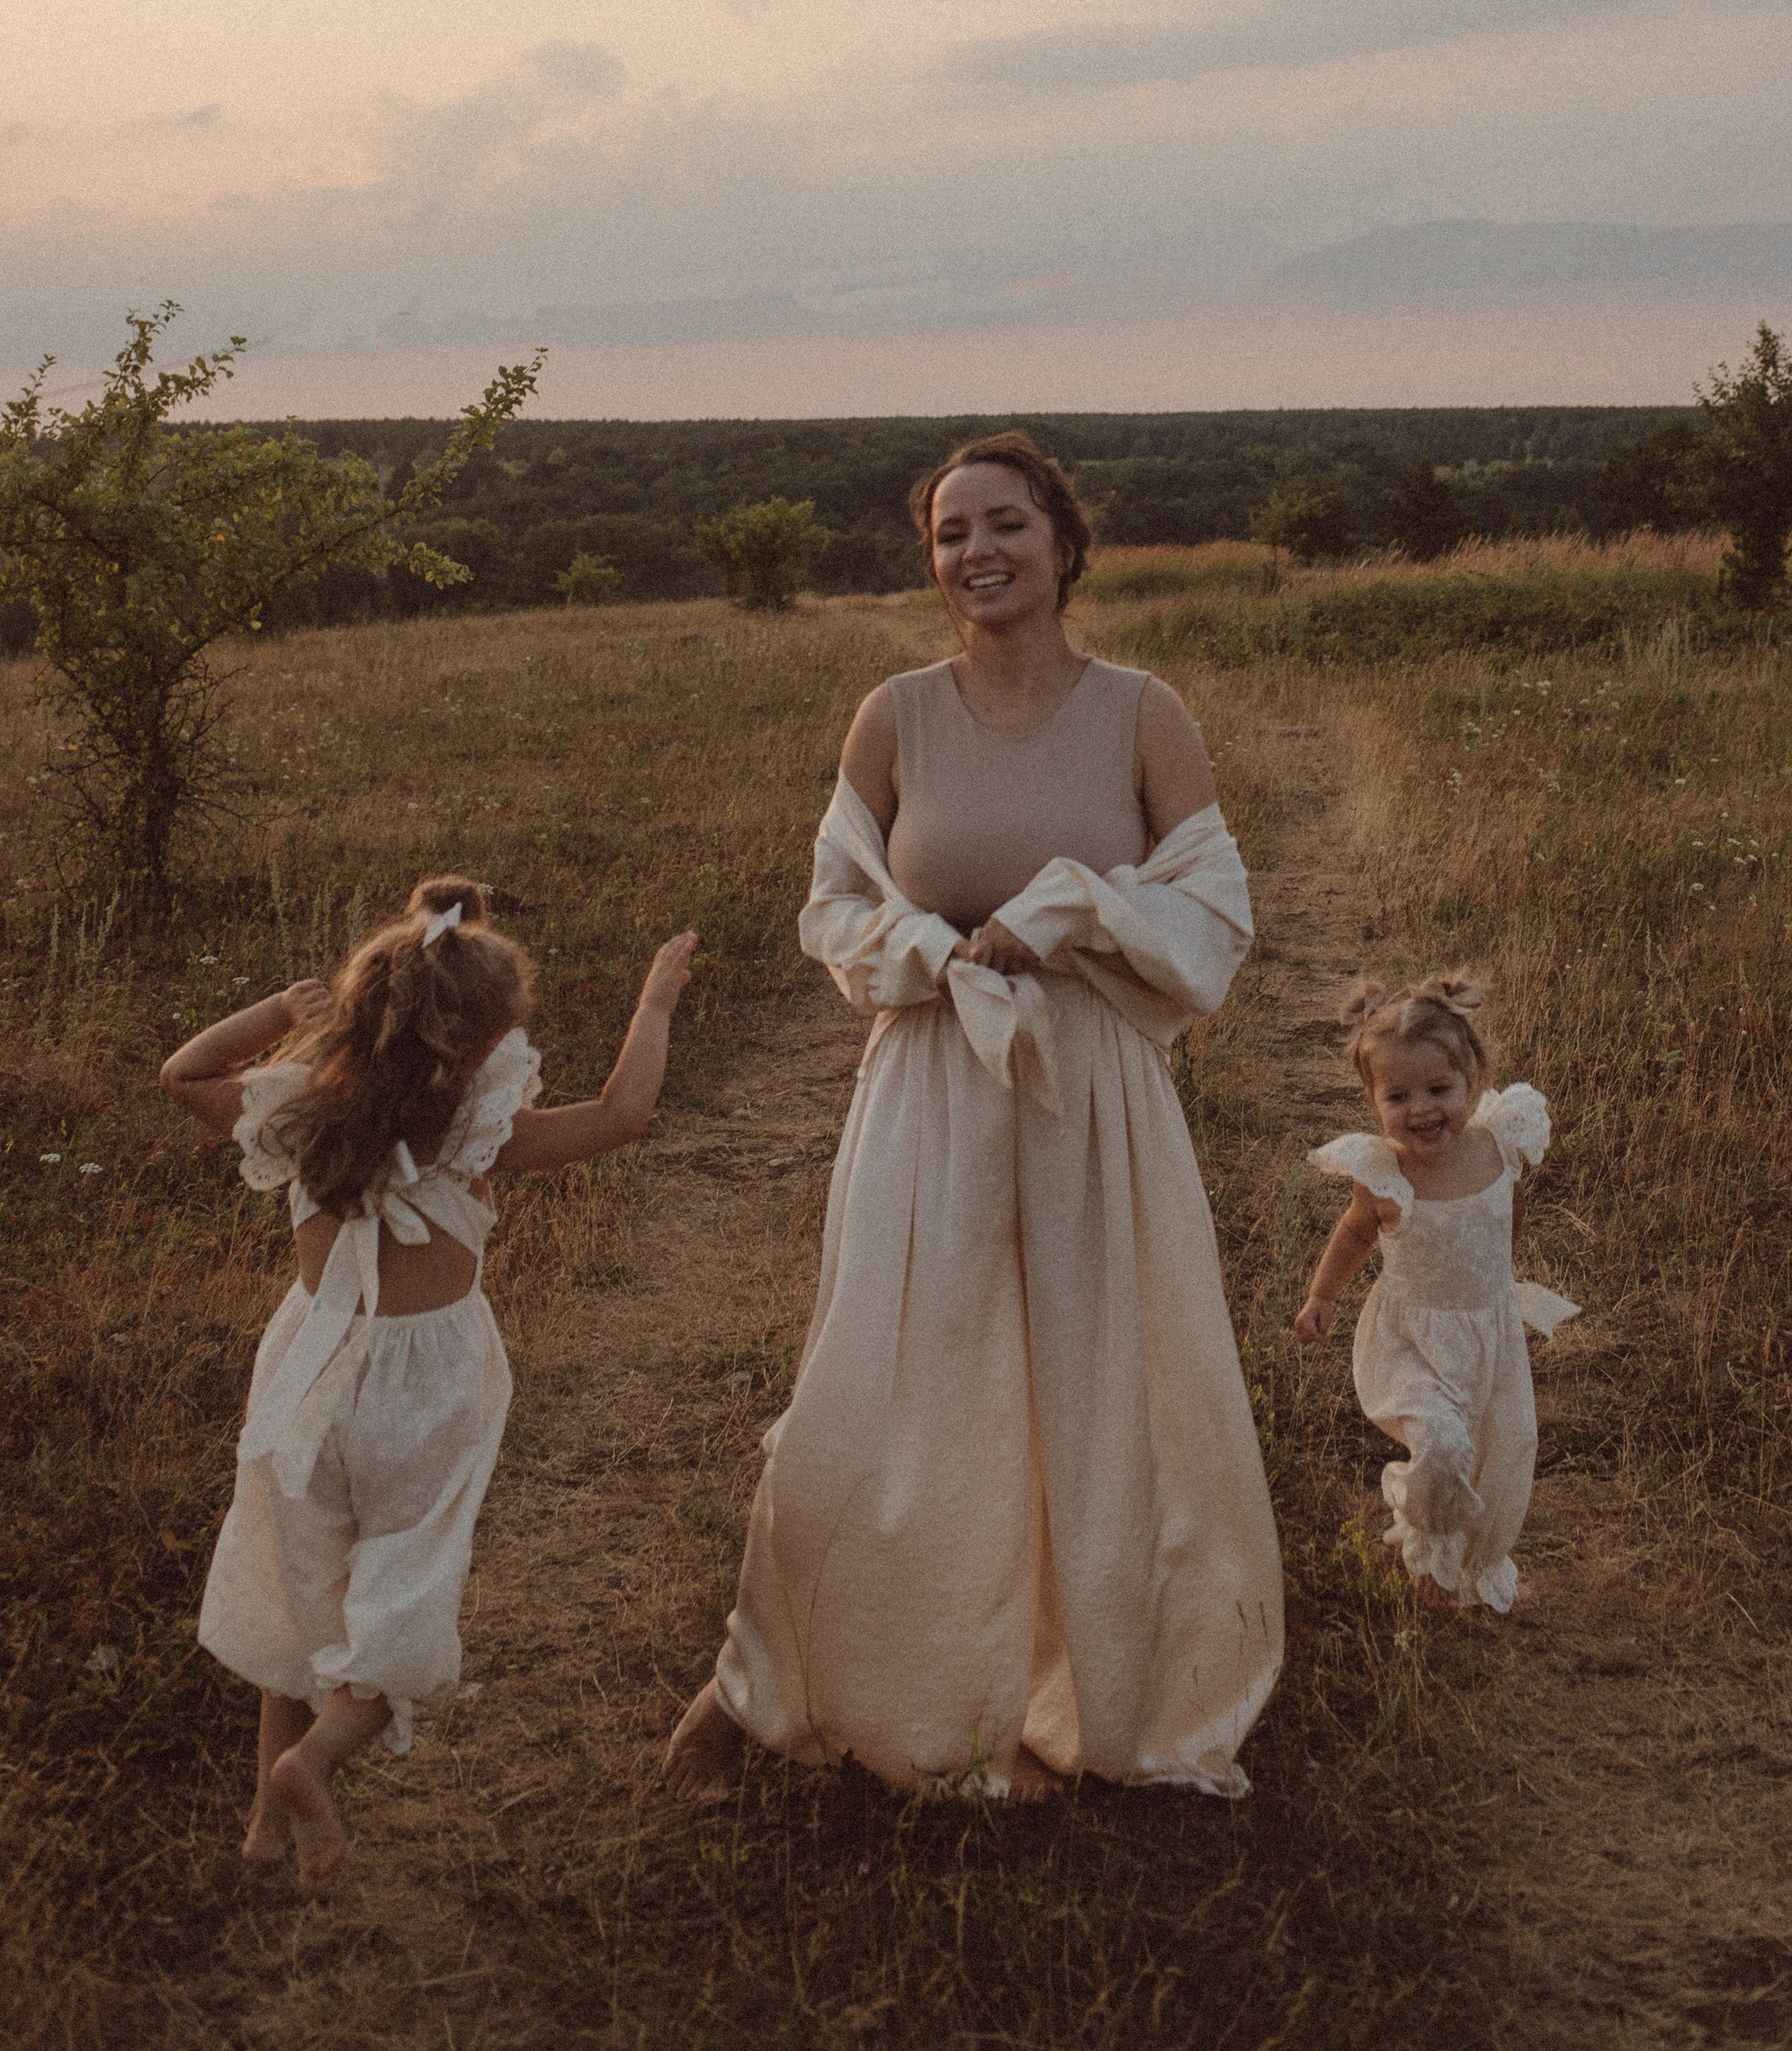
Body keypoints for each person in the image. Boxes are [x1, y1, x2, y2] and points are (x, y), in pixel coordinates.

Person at [661, 432, 1283, 1805]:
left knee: (1099, 1383)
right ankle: (787, 1683)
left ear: (1065, 543)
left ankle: (1091, 1693)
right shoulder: (895, 714)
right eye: (951, 533)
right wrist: (936, 954)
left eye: (1006, 524)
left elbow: (1215, 914)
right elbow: (834, 904)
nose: (977, 553)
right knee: (887, 1380)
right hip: (933, 1082)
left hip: (1092, 1097)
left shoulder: (1141, 712)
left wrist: (1067, 906)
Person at [162, 875, 697, 1894]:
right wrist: (655, 1001)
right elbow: (622, 1115)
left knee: (294, 1588)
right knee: (400, 1591)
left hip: (307, 1375)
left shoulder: (302, 1112)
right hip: (428, 1388)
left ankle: (262, 1836)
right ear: (479, 1047)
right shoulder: (474, 1135)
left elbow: (183, 1072)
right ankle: (312, 1763)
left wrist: (279, 1013)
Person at [1293, 974, 1577, 1617]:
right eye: (1398, 1096)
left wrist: (1499, 1277)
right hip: (1415, 1340)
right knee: (1444, 1448)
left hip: (1490, 1333)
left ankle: (1478, 1572)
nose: (1421, 1109)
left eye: (1438, 1090)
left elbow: (1509, 1210)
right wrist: (1322, 1297)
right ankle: (1426, 1547)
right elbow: (1354, 1235)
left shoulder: (1498, 1145)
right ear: (1372, 1100)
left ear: (1472, 1081)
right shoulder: (1387, 1177)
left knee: (1503, 1450)